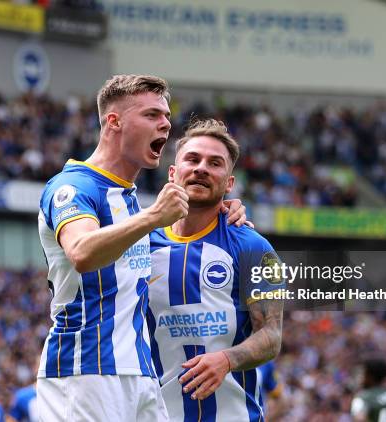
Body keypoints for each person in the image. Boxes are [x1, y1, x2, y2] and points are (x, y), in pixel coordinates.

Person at [37, 75, 246, 421]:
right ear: (114, 122)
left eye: (166, 115)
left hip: (140, 374)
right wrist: (152, 217)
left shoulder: (129, 198)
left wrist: (222, 209)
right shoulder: (73, 187)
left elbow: (174, 234)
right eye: (151, 115)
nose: (165, 123)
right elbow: (82, 253)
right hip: (85, 370)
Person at [147, 119, 284, 421]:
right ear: (173, 173)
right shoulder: (140, 244)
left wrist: (226, 359)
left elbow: (272, 336)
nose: (201, 168)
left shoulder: (253, 247)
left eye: (215, 163)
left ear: (229, 182)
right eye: (192, 159)